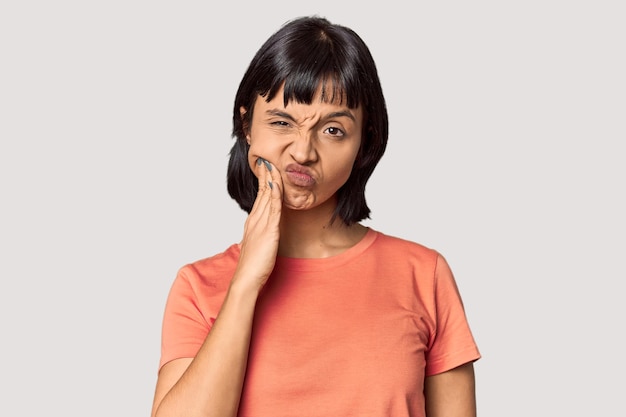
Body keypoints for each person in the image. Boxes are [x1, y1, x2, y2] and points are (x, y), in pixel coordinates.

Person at [150, 15, 481, 417]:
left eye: (333, 130)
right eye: (281, 122)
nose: (303, 151)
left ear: (365, 143)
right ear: (246, 125)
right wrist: (245, 284)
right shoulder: (197, 288)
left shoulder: (423, 275)